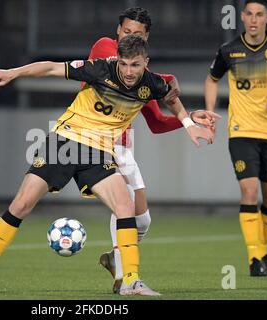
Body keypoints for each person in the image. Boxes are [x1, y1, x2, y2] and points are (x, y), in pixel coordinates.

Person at [0, 35, 214, 296]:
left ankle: (131, 280)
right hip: (65, 141)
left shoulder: (152, 84)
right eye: (123, 64)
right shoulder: (101, 69)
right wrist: (13, 72)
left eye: (135, 65)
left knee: (125, 207)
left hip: (99, 153)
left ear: (145, 63)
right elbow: (51, 67)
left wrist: (189, 125)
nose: (128, 71)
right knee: (21, 204)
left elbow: (171, 96)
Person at [87, 7, 221, 293]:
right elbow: (112, 65)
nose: (129, 38)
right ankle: (126, 278)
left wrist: (191, 118)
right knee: (123, 204)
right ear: (117, 32)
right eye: (126, 32)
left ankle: (115, 258)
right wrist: (167, 78)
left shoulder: (143, 79)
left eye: (137, 34)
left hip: (123, 147)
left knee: (142, 221)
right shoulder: (105, 48)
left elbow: (157, 123)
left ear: (146, 37)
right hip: (96, 140)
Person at [204, 0, 267, 276]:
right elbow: (211, 79)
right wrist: (210, 112)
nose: (253, 19)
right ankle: (255, 260)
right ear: (243, 17)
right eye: (249, 13)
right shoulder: (229, 50)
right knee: (249, 191)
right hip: (241, 132)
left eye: (259, 14)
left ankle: (262, 254)